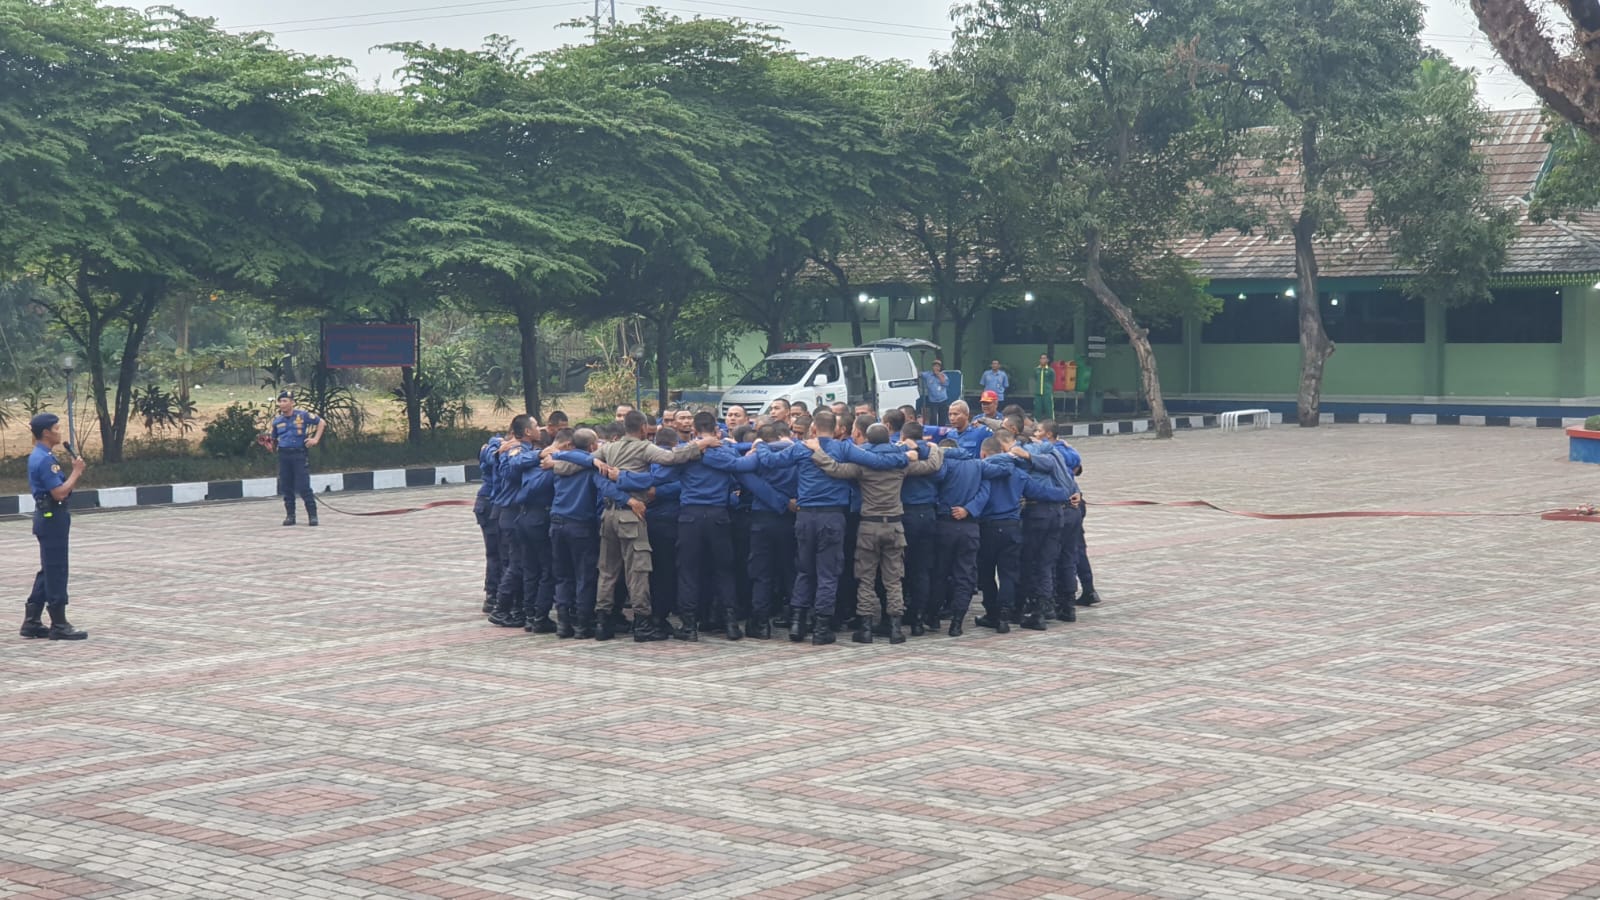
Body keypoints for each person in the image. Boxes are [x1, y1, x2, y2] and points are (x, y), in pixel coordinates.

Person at [586, 410, 711, 641]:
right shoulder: (644, 447)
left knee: (607, 570)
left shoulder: (609, 448)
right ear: (644, 428)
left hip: (608, 514)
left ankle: (603, 622)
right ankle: (643, 623)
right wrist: (699, 446)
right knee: (638, 570)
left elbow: (590, 463)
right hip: (631, 516)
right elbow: (671, 458)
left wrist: (591, 459)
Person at [808, 423, 938, 644]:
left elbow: (834, 469)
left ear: (867, 439)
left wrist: (817, 452)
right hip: (895, 526)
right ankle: (896, 628)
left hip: (869, 525)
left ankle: (865, 628)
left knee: (865, 578)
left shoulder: (862, 466)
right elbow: (932, 465)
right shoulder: (901, 464)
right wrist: (933, 448)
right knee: (894, 578)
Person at [21, 413, 88, 641]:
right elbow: (59, 491)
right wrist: (76, 472)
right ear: (46, 432)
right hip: (52, 518)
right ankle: (59, 623)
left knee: (48, 568)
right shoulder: (44, 460)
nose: (60, 431)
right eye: (56, 427)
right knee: (57, 569)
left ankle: (31, 621)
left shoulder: (42, 455)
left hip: (49, 517)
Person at [267, 391, 325, 526]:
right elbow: (274, 440)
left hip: (299, 454)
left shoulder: (302, 415)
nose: (282, 404)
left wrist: (315, 439)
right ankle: (290, 516)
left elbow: (321, 422)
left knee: (303, 486)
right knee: (286, 486)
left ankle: (312, 515)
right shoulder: (277, 421)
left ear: (292, 402)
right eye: (280, 401)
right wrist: (270, 446)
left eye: (285, 401)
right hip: (284, 455)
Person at [473, 431, 505, 613]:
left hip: (488, 505)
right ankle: (492, 594)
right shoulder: (494, 447)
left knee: (497, 553)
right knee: (496, 553)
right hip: (489, 505)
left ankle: (495, 593)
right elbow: (489, 456)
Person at [921, 359, 950, 425]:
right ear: (932, 367)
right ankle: (933, 431)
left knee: (942, 418)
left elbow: (945, 383)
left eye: (938, 366)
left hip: (943, 400)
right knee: (933, 418)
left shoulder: (943, 375)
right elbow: (919, 374)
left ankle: (941, 432)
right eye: (935, 366)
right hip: (933, 401)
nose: (936, 368)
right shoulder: (928, 375)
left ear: (940, 368)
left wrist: (938, 375)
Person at [1033, 354, 1054, 420]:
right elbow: (1035, 378)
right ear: (1039, 360)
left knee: (1049, 409)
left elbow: (1052, 380)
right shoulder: (1036, 369)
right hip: (1038, 393)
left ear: (1047, 360)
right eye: (1041, 358)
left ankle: (1051, 422)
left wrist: (1048, 388)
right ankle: (1037, 423)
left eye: (1044, 358)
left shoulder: (1050, 370)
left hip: (1047, 393)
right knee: (1037, 409)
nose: (1043, 360)